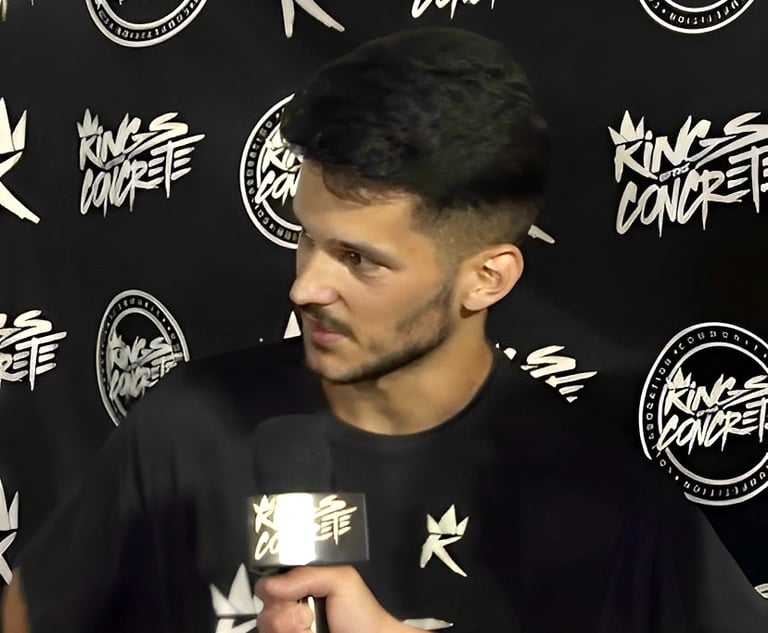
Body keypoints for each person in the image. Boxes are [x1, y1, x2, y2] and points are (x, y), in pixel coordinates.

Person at [3, 26, 768, 633]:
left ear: (486, 278)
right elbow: (32, 611)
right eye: (305, 237)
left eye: (359, 259)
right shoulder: (189, 423)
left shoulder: (607, 504)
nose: (306, 285)